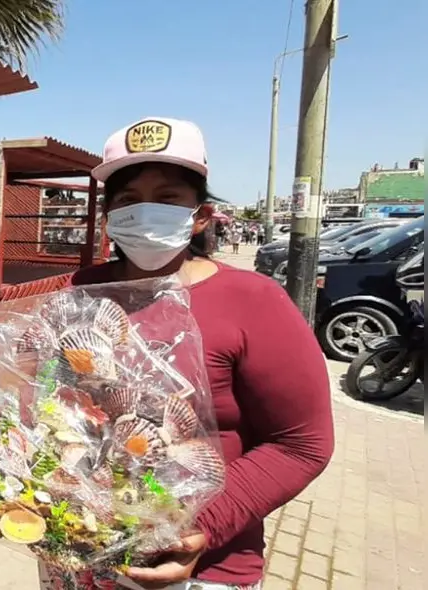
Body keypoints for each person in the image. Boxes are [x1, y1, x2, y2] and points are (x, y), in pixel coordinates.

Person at [40, 118, 334, 590]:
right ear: (110, 217)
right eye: (129, 200)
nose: (146, 211)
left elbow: (302, 444)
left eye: (167, 197)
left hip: (202, 567)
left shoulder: (255, 300)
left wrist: (197, 528)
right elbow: (50, 403)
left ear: (200, 215)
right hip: (79, 552)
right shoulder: (80, 292)